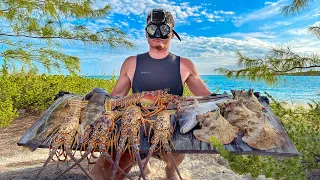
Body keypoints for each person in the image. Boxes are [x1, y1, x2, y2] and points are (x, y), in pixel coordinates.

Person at [89, 8, 212, 180]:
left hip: (171, 126)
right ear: (146, 33)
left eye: (164, 29)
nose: (158, 34)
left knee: (176, 149)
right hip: (135, 125)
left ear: (172, 34)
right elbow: (115, 98)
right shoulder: (131, 63)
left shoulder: (185, 65)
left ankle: (170, 170)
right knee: (100, 174)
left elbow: (207, 98)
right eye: (153, 29)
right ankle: (141, 164)